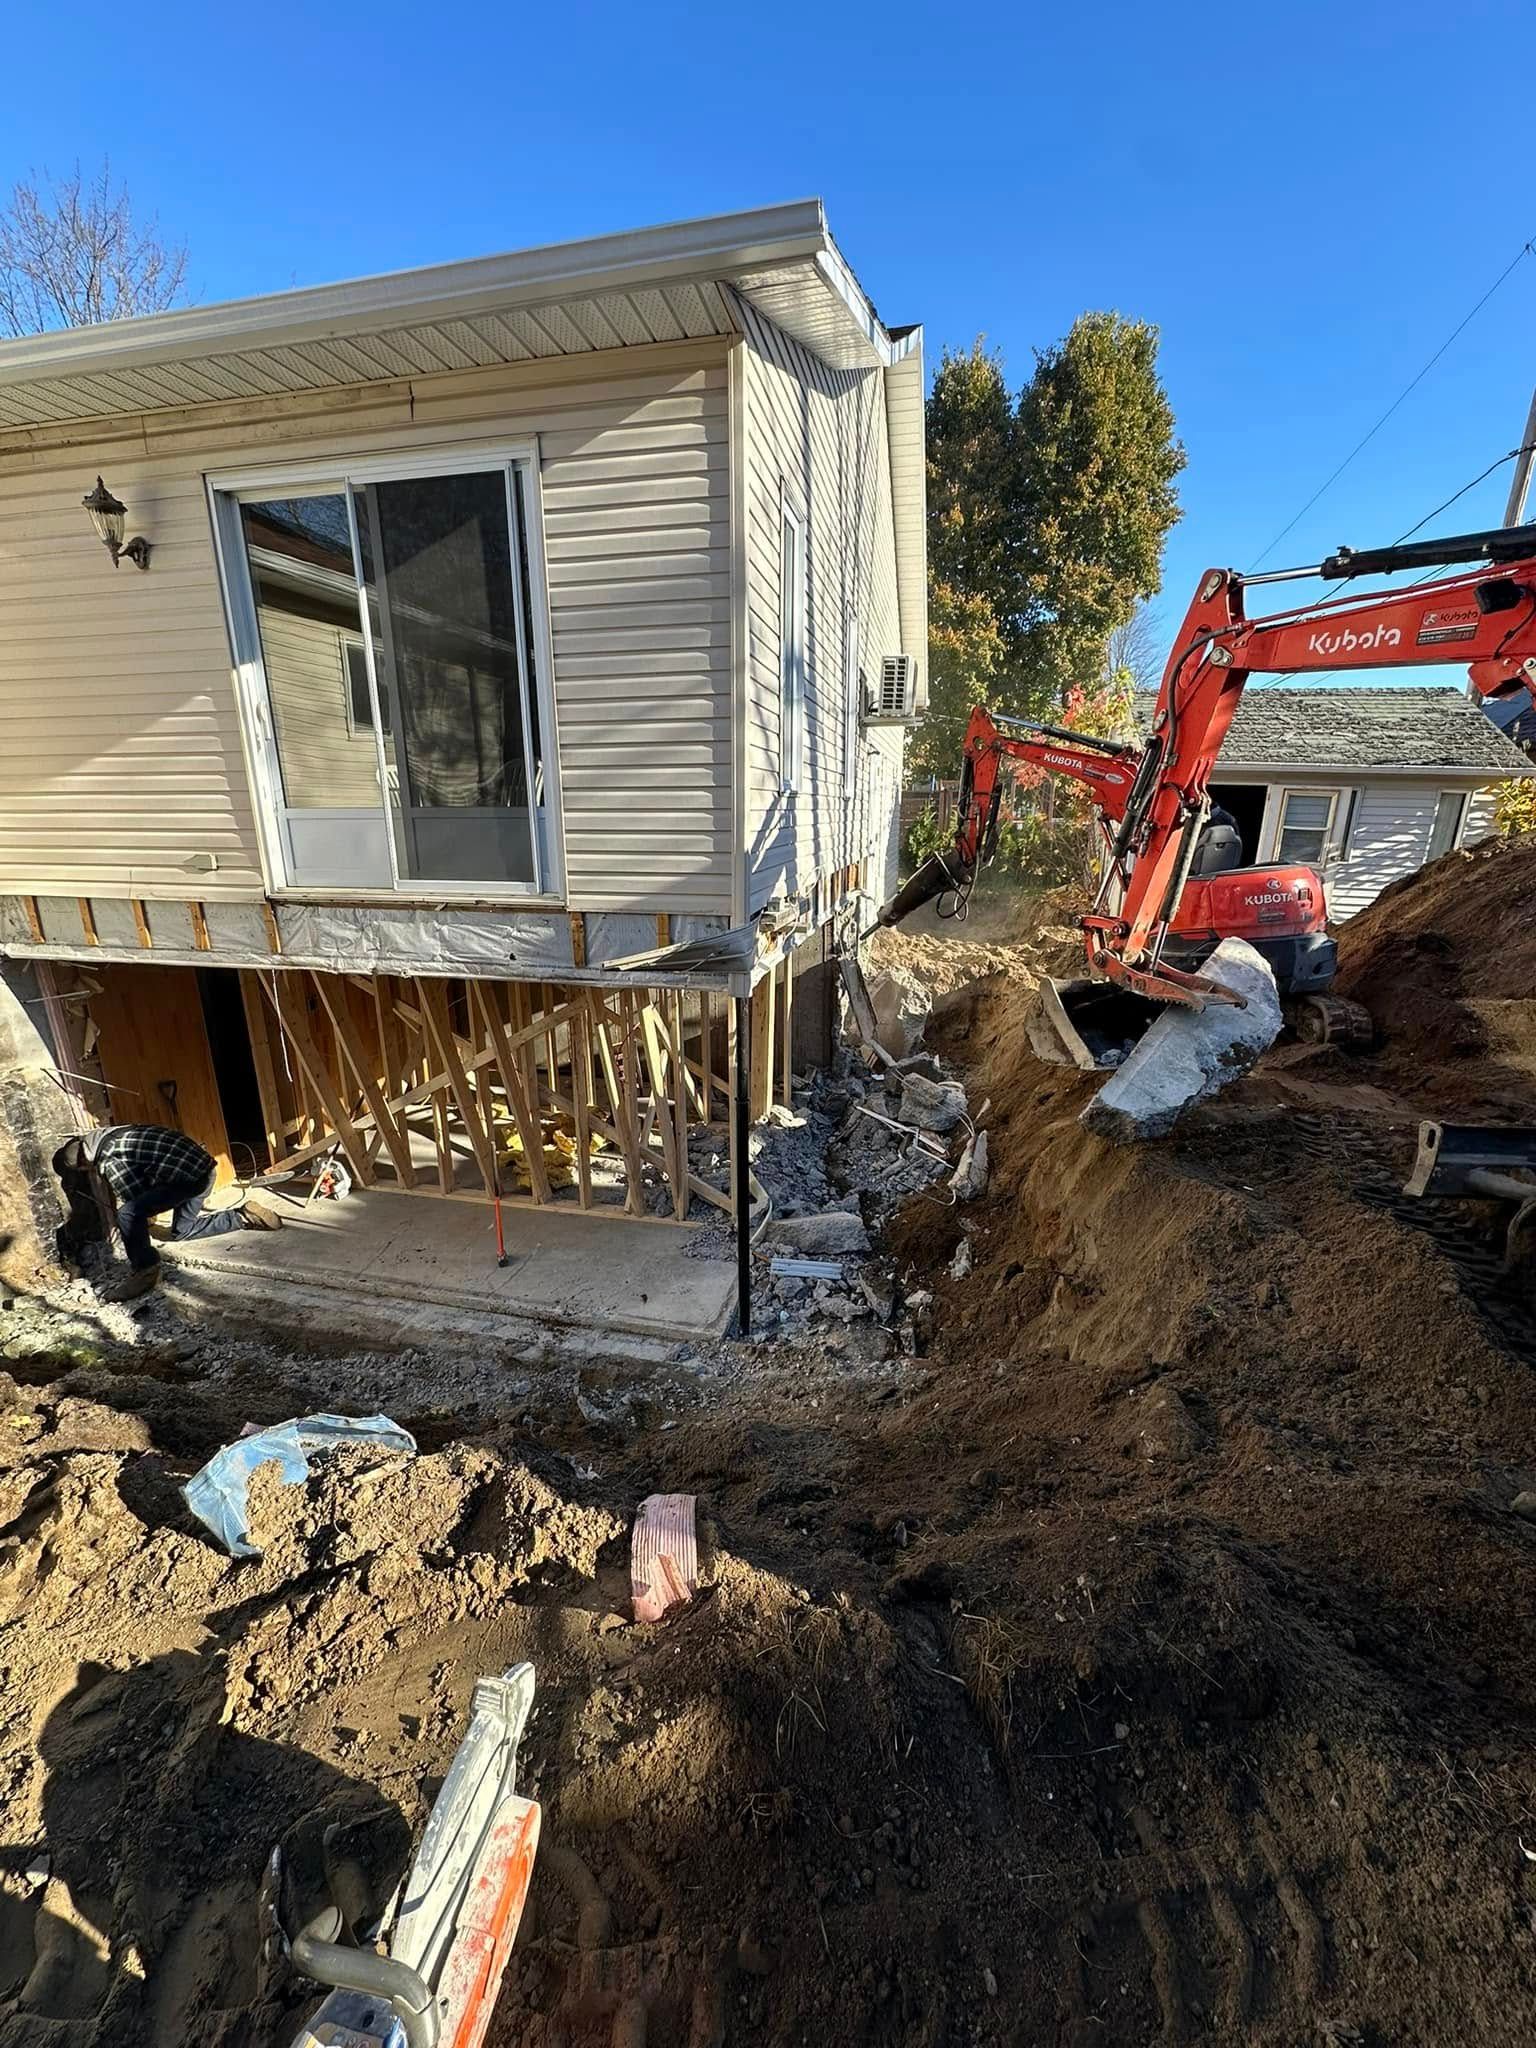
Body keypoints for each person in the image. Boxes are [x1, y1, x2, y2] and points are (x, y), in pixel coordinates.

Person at [52, 1124, 282, 1300]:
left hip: (189, 1180)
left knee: (126, 1215)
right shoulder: (117, 1132)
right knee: (182, 1231)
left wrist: (140, 1223)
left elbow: (136, 1199)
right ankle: (242, 1216)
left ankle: (146, 1271)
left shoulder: (109, 1158)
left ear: (85, 1162)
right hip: (205, 1168)